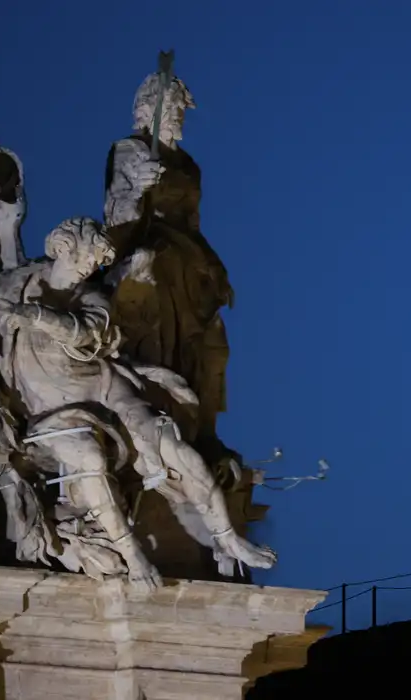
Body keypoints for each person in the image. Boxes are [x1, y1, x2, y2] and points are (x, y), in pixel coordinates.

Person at [0, 217, 274, 591]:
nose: (90, 268)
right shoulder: (18, 283)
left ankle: (227, 536)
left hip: (106, 391)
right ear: (62, 248)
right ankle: (132, 554)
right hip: (50, 413)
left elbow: (83, 332)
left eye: (96, 263)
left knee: (172, 446)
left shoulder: (94, 299)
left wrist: (33, 315)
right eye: (87, 258)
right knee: (89, 458)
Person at [103, 70, 235, 476]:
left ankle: (205, 424)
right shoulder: (129, 150)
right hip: (150, 245)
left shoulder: (189, 166)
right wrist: (138, 190)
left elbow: (192, 223)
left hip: (188, 255)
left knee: (213, 333)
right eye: (172, 106)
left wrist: (215, 266)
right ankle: (154, 388)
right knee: (153, 280)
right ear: (148, 110)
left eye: (180, 108)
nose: (178, 113)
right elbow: (116, 212)